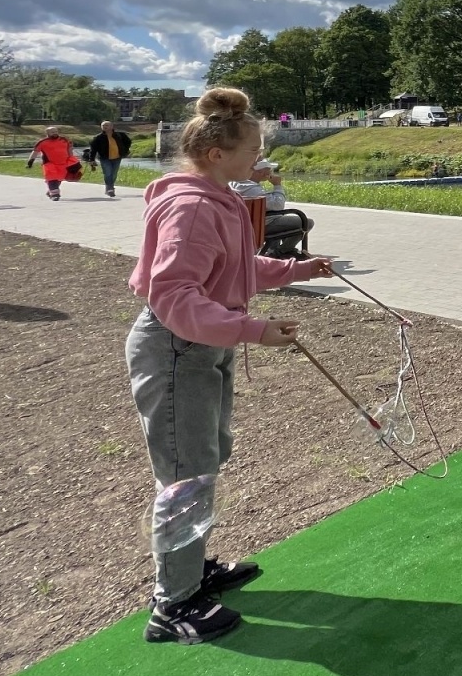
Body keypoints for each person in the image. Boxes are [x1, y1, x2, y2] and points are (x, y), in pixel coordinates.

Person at [125, 88, 332, 644]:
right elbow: (176, 297)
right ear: (217, 153)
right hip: (176, 348)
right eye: (253, 150)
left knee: (205, 459)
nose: (261, 160)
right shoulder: (192, 207)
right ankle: (173, 606)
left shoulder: (217, 198)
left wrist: (298, 270)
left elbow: (235, 270)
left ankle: (191, 570)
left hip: (202, 345)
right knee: (185, 473)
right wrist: (256, 331)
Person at [229, 159, 312, 252]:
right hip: (260, 226)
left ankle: (273, 249)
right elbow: (278, 205)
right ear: (260, 172)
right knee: (306, 222)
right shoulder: (254, 190)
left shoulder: (233, 184)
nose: (271, 172)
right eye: (269, 169)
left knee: (279, 217)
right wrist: (277, 185)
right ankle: (283, 251)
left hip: (244, 225)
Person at [26, 126, 79, 200]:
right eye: (52, 132)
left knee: (59, 178)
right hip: (49, 163)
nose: (55, 133)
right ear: (47, 133)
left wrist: (71, 159)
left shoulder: (64, 140)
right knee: (52, 177)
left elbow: (69, 149)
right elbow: (35, 152)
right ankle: (55, 194)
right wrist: (30, 161)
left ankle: (51, 190)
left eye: (56, 132)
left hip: (63, 163)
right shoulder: (42, 142)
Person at [88, 120, 133, 198]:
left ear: (112, 126)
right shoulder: (98, 138)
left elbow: (128, 142)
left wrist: (125, 150)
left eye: (107, 125)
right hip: (104, 158)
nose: (105, 127)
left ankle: (109, 187)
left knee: (114, 173)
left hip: (117, 157)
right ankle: (110, 188)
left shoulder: (119, 135)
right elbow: (93, 149)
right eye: (103, 126)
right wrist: (91, 159)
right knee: (108, 173)